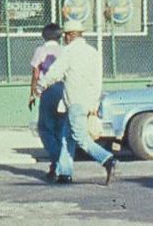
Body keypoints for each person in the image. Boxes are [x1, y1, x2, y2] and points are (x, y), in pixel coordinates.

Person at [37, 17, 116, 185]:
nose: (63, 38)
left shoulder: (68, 52)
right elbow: (97, 80)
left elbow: (55, 72)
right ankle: (65, 173)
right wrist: (94, 104)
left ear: (70, 35)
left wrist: (41, 85)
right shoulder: (93, 52)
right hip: (87, 101)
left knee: (80, 138)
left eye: (65, 35)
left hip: (74, 101)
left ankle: (107, 159)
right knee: (67, 137)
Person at [28, 22, 70, 180]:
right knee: (60, 128)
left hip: (47, 89)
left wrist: (32, 93)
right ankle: (58, 164)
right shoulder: (64, 50)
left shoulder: (41, 50)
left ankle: (56, 158)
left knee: (45, 127)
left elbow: (36, 72)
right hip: (63, 89)